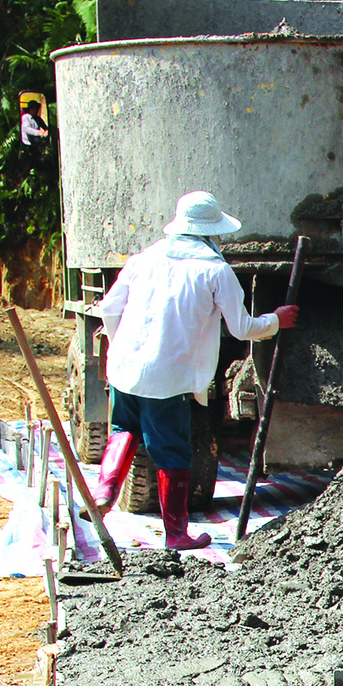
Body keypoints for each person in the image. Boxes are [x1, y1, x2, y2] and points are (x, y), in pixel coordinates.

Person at [87, 191, 299, 550]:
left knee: (125, 428)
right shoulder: (215, 270)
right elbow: (242, 329)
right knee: (172, 452)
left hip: (125, 364)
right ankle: (177, 534)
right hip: (167, 377)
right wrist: (276, 321)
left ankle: (104, 492)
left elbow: (110, 308)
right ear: (212, 233)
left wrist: (117, 344)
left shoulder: (144, 259)